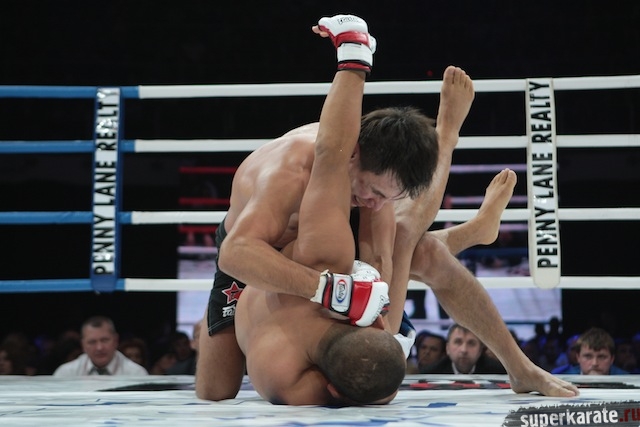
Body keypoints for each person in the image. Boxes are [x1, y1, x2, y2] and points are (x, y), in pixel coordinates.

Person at [197, 14, 579, 403]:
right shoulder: (291, 172)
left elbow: (382, 271)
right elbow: (235, 254)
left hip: (323, 248)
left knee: (418, 247)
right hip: (257, 248)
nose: (375, 204)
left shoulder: (373, 194)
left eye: (386, 198)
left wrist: (371, 310)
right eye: (373, 191)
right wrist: (328, 290)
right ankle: (464, 209)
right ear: (354, 156)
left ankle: (521, 368)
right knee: (215, 391)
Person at [53, 316, 148, 376]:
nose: (99, 348)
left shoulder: (136, 374)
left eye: (104, 340)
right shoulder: (66, 373)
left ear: (116, 340)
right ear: (83, 345)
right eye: (92, 342)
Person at [420, 323, 506, 374]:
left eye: (471, 343)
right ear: (447, 348)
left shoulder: (499, 372)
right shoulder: (431, 373)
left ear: (480, 350)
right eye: (458, 342)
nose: (464, 350)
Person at [561, 327, 629, 375]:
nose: (594, 363)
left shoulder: (627, 380)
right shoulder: (564, 381)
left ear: (612, 359)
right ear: (578, 357)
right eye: (588, 356)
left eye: (601, 357)